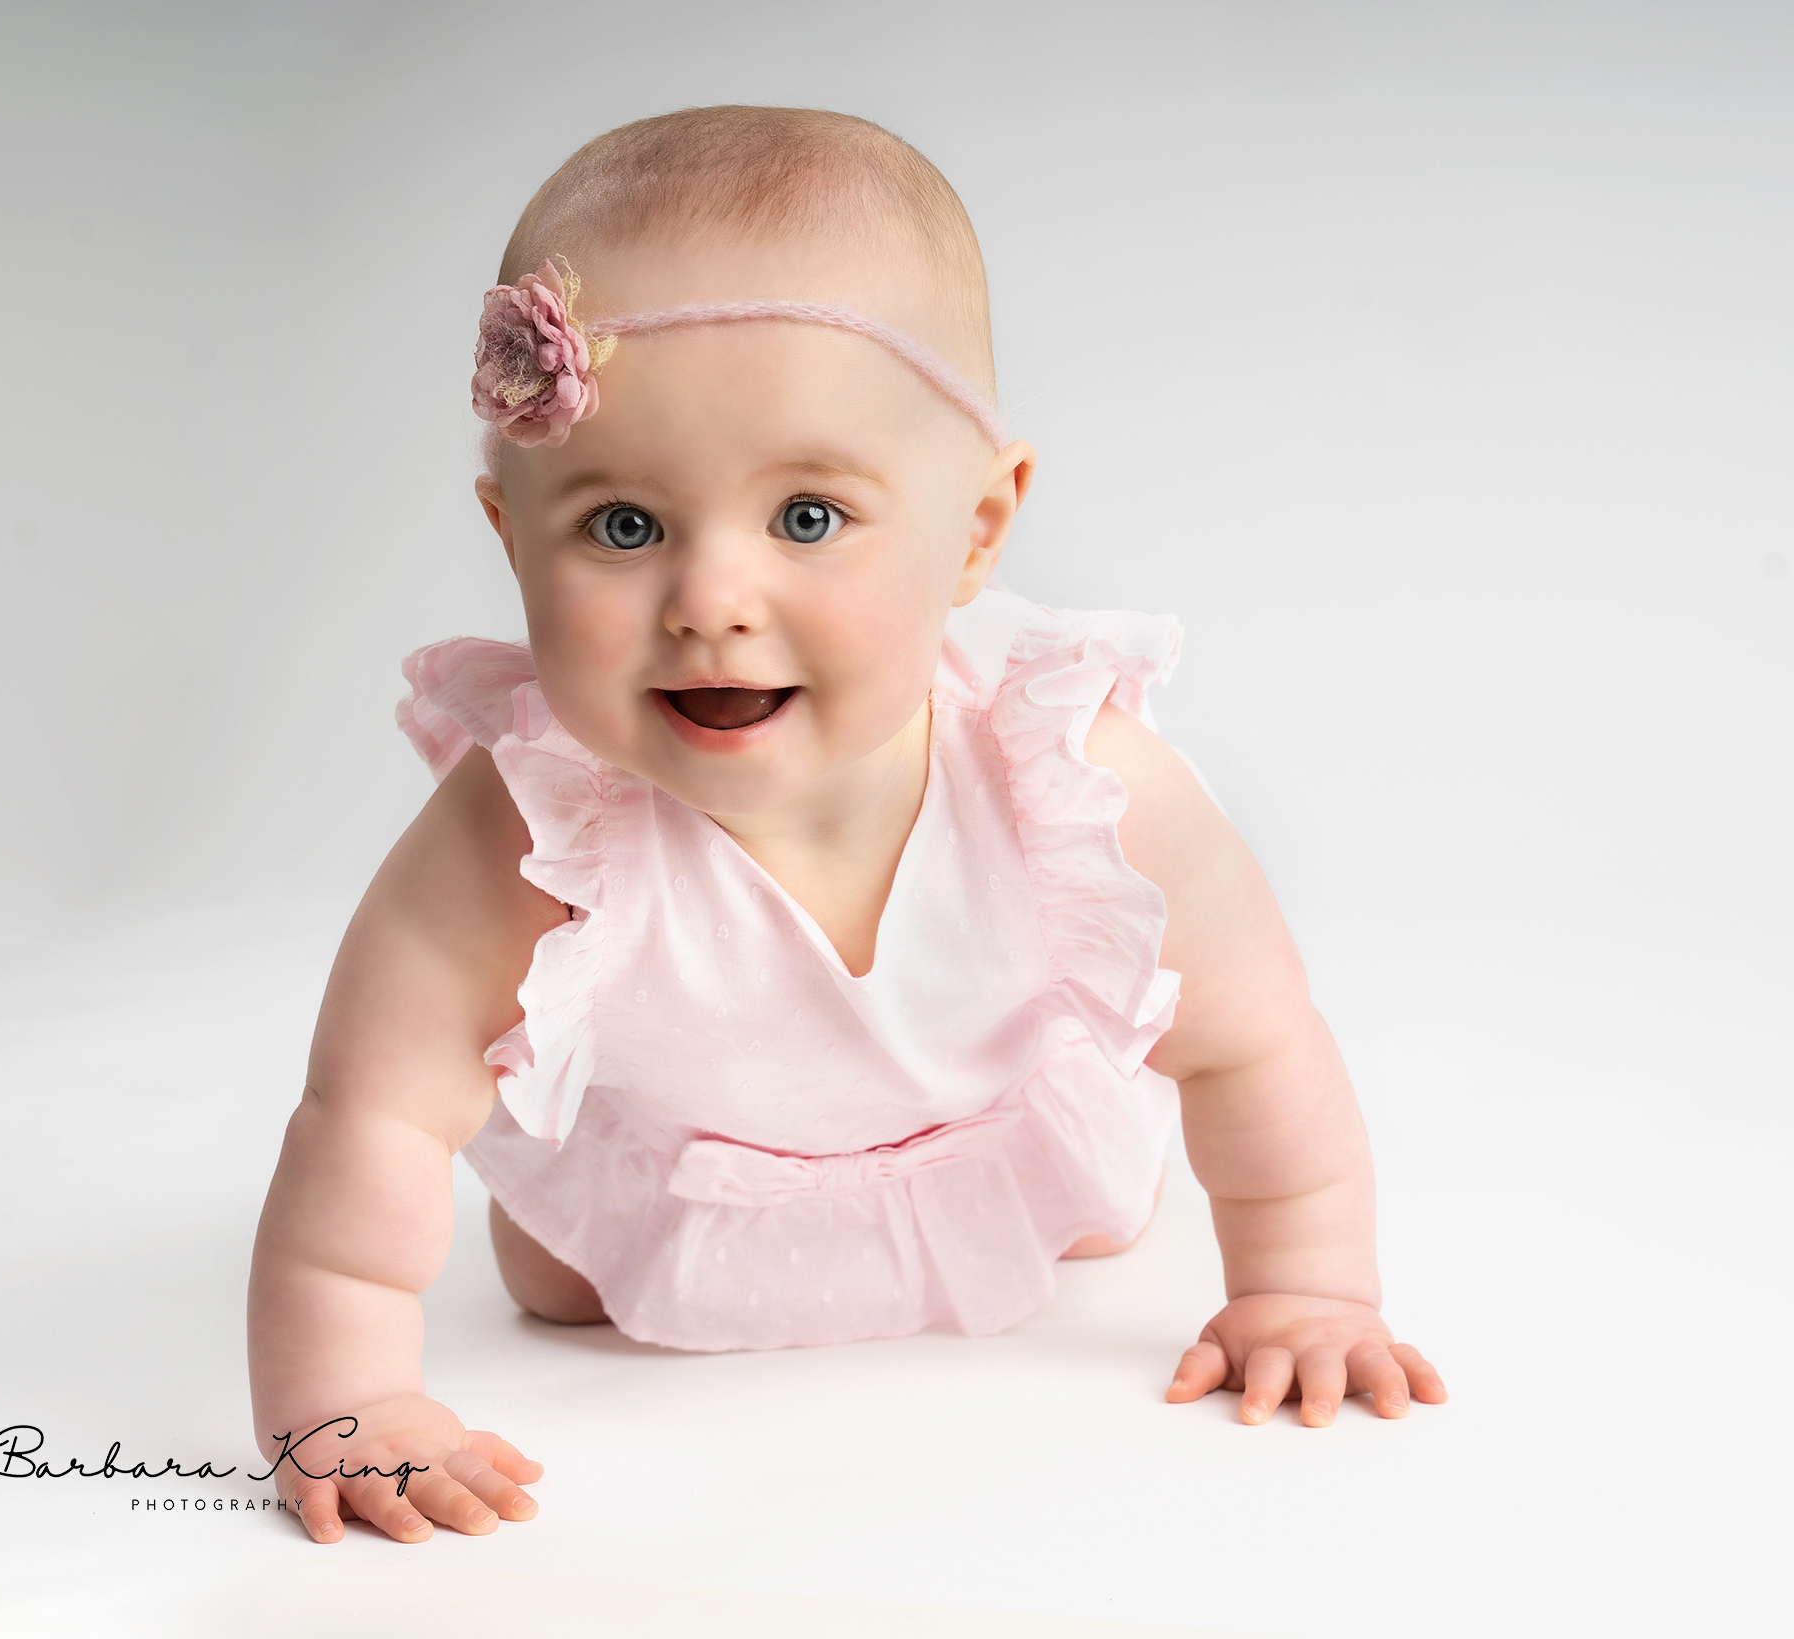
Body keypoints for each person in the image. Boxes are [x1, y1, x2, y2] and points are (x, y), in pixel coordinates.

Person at [246, 105, 1446, 1546]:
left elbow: (1256, 1037)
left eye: (808, 517)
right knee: (559, 1285)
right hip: (671, 1178)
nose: (710, 599)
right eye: (622, 526)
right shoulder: (523, 834)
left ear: (980, 534)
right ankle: (649, 1248)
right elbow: (367, 1116)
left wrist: (1306, 1286)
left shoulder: (1072, 779)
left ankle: (981, 1206)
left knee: (1101, 1208)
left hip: (990, 1140)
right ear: (512, 535)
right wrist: (349, 1403)